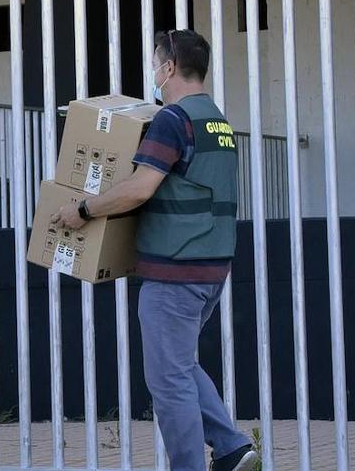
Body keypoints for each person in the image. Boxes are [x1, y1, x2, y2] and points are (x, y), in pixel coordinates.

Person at [50, 29, 257, 471]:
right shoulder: (217, 121)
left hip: (175, 271)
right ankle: (232, 446)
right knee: (180, 365)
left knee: (167, 380)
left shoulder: (172, 119)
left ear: (168, 67)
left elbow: (139, 189)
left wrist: (82, 209)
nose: (154, 73)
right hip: (211, 266)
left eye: (156, 63)